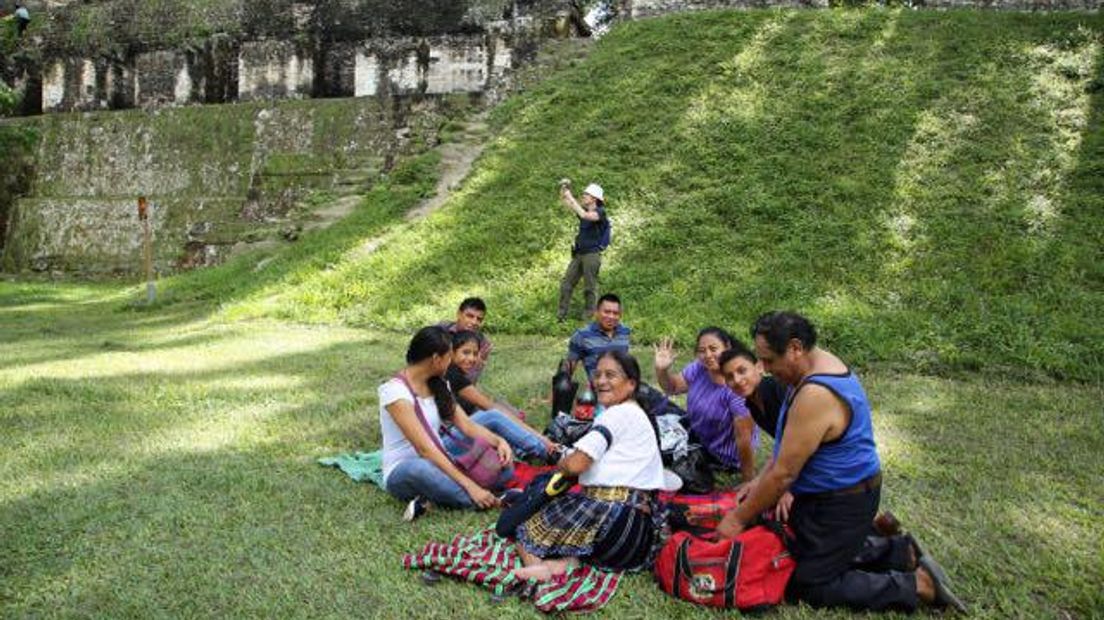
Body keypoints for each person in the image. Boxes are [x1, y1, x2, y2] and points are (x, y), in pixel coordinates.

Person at [716, 312, 966, 613]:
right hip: (829, 495)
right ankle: (899, 553)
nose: (765, 369)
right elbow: (784, 454)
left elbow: (784, 473)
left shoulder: (815, 393)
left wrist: (737, 518)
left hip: (842, 500)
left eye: (769, 361)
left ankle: (918, 584)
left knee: (808, 584)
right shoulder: (813, 367)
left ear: (795, 348)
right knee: (795, 548)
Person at [512, 351, 666, 581]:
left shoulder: (617, 414)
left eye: (611, 375)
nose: (601, 381)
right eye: (598, 375)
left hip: (612, 520)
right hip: (636, 540)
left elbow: (576, 464)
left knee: (526, 533)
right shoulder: (638, 414)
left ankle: (538, 567)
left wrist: (561, 463)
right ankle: (561, 566)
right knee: (576, 548)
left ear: (631, 383)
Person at [379, 326, 518, 521]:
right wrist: (472, 487)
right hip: (404, 469)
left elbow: (467, 426)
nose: (451, 361)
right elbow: (424, 450)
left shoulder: (439, 383)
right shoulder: (395, 392)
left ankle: (432, 498)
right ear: (436, 359)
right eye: (449, 355)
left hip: (440, 454)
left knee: (504, 469)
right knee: (422, 470)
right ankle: (494, 501)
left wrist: (499, 441)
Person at [653, 327, 758, 482]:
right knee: (650, 406)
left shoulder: (737, 386)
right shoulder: (700, 368)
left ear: (727, 347)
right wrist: (662, 370)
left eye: (713, 349)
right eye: (702, 350)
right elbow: (672, 387)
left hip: (720, 457)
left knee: (655, 448)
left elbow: (744, 439)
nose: (708, 355)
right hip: (697, 435)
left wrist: (748, 479)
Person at [446, 330, 559, 460]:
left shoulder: (452, 373)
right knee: (494, 416)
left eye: (475, 354)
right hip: (444, 442)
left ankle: (525, 451)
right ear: (452, 353)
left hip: (449, 436)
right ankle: (550, 453)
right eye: (465, 352)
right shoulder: (453, 375)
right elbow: (491, 409)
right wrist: (542, 439)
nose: (471, 358)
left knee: (498, 410)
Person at [556, 180, 610, 322]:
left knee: (589, 287)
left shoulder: (600, 212)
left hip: (592, 255)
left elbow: (586, 216)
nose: (583, 196)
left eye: (586, 194)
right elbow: (567, 203)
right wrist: (565, 191)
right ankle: (561, 315)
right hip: (579, 254)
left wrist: (571, 198)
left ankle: (589, 316)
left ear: (594, 198)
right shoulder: (584, 211)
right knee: (566, 284)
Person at [718, 340, 788, 439]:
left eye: (742, 371)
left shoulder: (778, 388)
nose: (737, 380)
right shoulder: (752, 405)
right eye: (730, 377)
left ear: (759, 367)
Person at [566, 293, 630, 381]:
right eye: (607, 312)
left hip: (622, 389)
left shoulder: (625, 332)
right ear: (597, 312)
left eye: (615, 313)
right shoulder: (582, 335)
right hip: (598, 390)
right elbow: (567, 371)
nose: (611, 317)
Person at [438, 297, 492, 382]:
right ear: (459, 314)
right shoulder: (441, 329)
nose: (474, 322)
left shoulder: (483, 344)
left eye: (479, 319)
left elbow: (469, 382)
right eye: (470, 316)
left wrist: (477, 366)